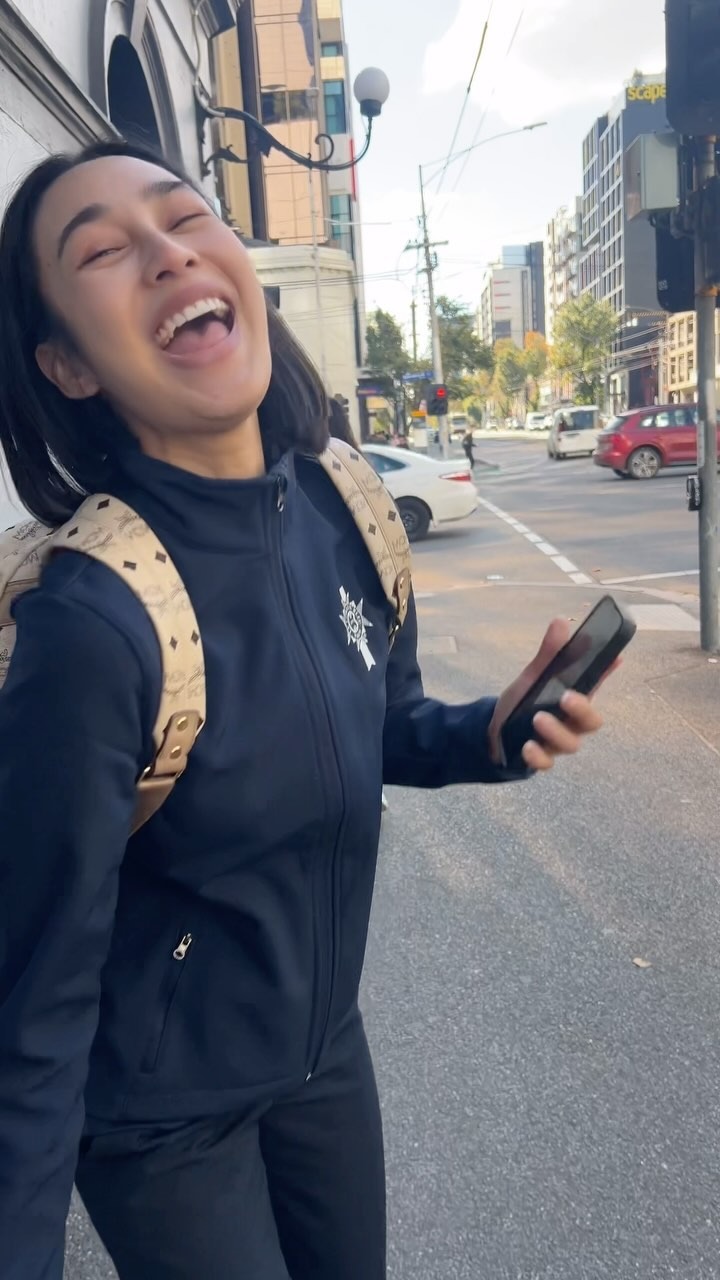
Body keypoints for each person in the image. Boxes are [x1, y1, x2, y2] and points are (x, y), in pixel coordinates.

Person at [0, 141, 610, 1280]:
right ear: (67, 365)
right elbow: (33, 999)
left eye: (185, 217)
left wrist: (491, 733)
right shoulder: (92, 624)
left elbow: (382, 723)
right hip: (162, 1123)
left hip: (324, 1057)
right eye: (103, 251)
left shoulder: (346, 503)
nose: (168, 252)